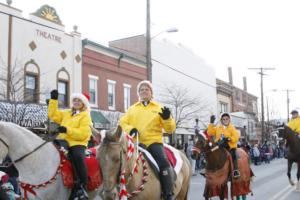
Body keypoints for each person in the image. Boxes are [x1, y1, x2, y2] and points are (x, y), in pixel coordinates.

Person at [120, 80, 176, 200]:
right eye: (141, 89)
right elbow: (123, 122)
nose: (144, 91)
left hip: (153, 142)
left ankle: (168, 193)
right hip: (136, 143)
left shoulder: (159, 108)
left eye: (147, 89)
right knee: (121, 163)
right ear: (138, 93)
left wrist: (167, 119)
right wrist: (131, 129)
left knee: (163, 162)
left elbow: (170, 129)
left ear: (151, 92)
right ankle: (117, 190)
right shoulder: (132, 109)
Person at [48, 89, 92, 199]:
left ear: (83, 104)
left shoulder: (85, 116)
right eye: (75, 100)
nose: (76, 102)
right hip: (63, 141)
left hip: (77, 143)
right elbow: (53, 115)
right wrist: (53, 100)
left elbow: (83, 134)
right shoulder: (66, 113)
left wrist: (67, 130)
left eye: (79, 101)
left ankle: (82, 185)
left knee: (77, 156)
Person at [207, 113, 240, 178]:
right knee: (211, 151)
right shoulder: (218, 127)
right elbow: (209, 132)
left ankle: (235, 170)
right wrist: (211, 123)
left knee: (233, 154)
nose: (225, 120)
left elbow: (236, 136)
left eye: (226, 119)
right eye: (223, 119)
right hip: (219, 145)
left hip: (229, 146)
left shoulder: (232, 127)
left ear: (229, 120)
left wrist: (230, 138)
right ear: (221, 120)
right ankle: (209, 168)